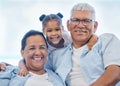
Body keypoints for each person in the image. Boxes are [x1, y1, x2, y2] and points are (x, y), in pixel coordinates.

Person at [45, 3, 120, 86]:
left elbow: (115, 72)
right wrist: (27, 66)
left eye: (86, 21)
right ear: (68, 25)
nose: (80, 25)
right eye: (76, 20)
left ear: (95, 26)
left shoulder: (107, 41)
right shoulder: (56, 55)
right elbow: (38, 69)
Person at [17, 12, 98, 76]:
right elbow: (22, 60)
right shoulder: (44, 45)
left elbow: (90, 36)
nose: (54, 34)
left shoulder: (67, 37)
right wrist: (23, 69)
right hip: (55, 66)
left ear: (62, 28)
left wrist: (91, 43)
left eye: (57, 29)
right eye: (49, 31)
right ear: (43, 31)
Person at [0, 30, 65, 86]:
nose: (38, 53)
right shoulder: (10, 73)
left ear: (47, 51)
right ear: (22, 53)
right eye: (32, 48)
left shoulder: (57, 78)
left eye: (42, 47)